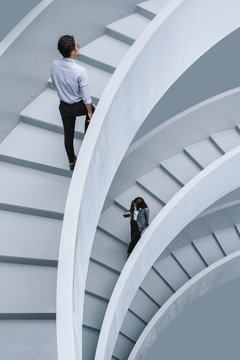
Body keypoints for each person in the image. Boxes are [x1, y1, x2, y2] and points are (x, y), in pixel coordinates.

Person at [51, 35, 95, 170]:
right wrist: (89, 112)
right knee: (93, 112)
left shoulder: (55, 65)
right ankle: (87, 142)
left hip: (63, 106)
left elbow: (54, 83)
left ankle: (72, 162)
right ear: (72, 51)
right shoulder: (80, 71)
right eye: (77, 46)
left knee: (68, 135)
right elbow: (86, 97)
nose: (78, 47)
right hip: (77, 106)